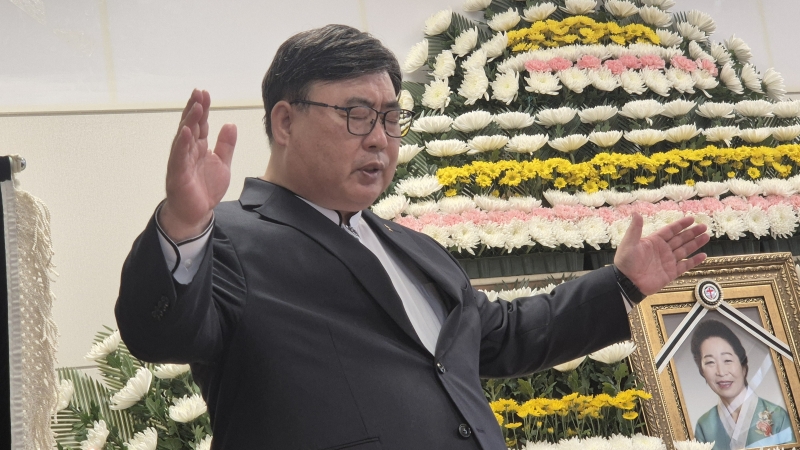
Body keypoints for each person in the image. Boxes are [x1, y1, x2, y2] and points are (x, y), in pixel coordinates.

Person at [115, 24, 710, 450]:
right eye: (356, 115)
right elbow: (158, 333)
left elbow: (501, 338)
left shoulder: (411, 248)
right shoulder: (227, 238)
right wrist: (183, 225)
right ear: (285, 121)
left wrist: (621, 285)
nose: (380, 138)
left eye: (391, 118)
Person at [690, 320, 795, 450]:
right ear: (702, 371)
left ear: (743, 366)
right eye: (710, 362)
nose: (721, 372)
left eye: (727, 360)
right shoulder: (705, 426)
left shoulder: (777, 416)